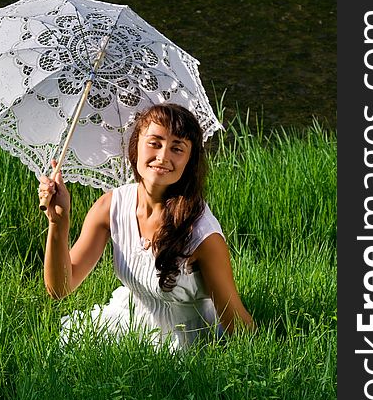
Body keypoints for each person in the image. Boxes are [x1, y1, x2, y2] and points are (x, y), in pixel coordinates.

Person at [38, 103, 256, 350]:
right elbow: (60, 288)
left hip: (183, 340)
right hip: (125, 323)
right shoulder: (111, 206)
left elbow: (236, 324)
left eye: (177, 148)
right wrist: (58, 223)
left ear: (190, 161)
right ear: (136, 146)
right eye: (155, 142)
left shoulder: (202, 235)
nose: (163, 157)